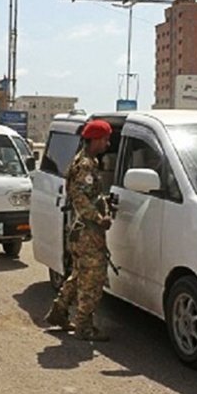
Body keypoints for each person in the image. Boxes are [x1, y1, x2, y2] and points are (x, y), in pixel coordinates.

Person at [44, 120, 113, 342]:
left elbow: (88, 194)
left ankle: (60, 310)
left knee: (80, 273)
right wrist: (99, 218)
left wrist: (104, 203)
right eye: (104, 139)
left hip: (80, 230)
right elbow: (80, 197)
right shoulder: (85, 165)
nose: (107, 143)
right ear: (94, 140)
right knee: (93, 278)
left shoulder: (86, 161)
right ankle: (84, 326)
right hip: (87, 231)